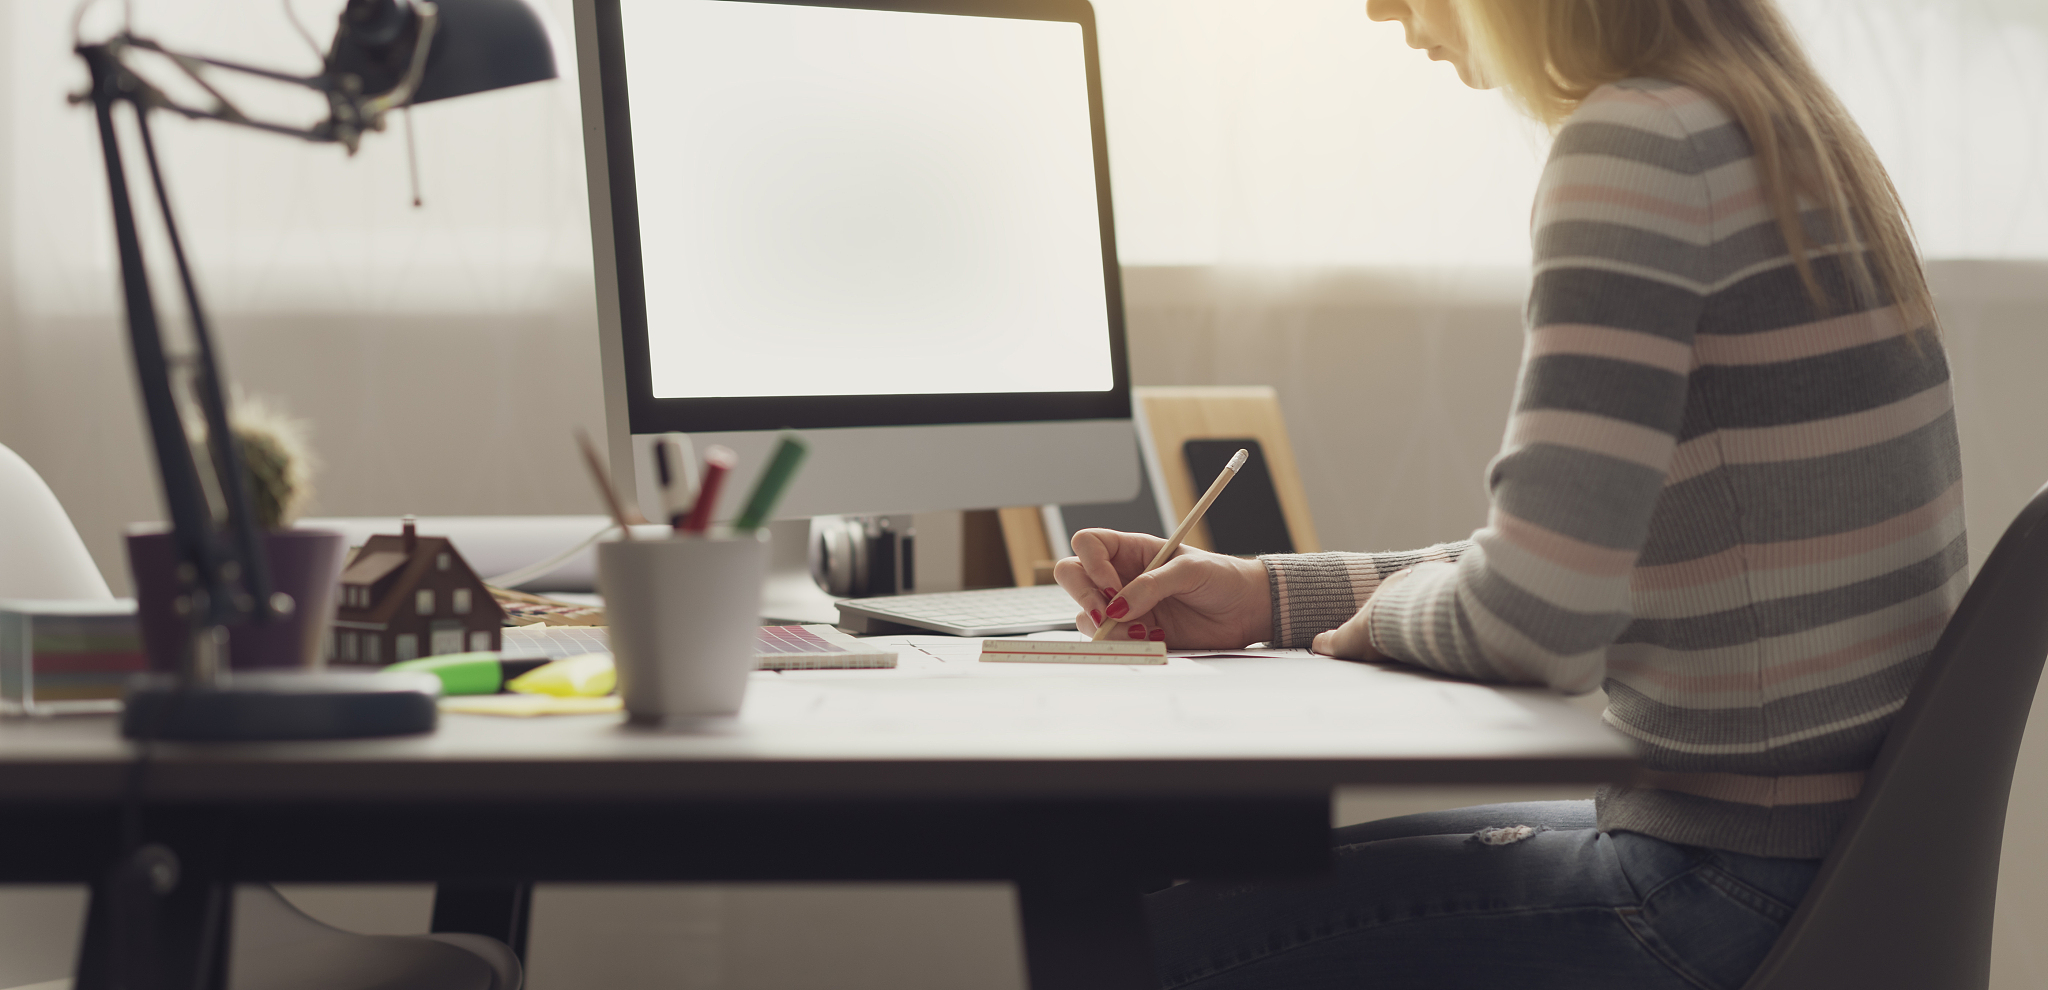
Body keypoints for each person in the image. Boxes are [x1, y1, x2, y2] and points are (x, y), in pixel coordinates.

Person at [1055, 0, 1963, 986]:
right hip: (1824, 875)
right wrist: (1271, 597)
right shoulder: (1772, 127)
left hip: (1717, 896)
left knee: (1104, 945)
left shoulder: (1640, 148)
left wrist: (1383, 614)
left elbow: (1534, 616)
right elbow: (1562, 563)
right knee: (1168, 899)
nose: (1376, 6)